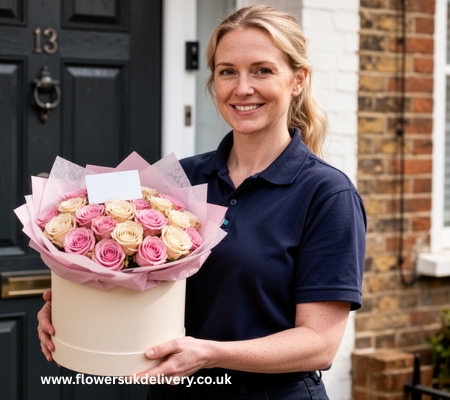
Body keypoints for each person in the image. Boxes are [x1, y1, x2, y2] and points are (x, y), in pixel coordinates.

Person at [38, 4, 366, 399]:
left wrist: (209, 354)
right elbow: (93, 229)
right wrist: (72, 308)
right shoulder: (177, 179)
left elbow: (319, 342)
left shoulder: (327, 194)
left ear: (298, 80)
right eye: (227, 71)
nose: (242, 88)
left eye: (262, 70)